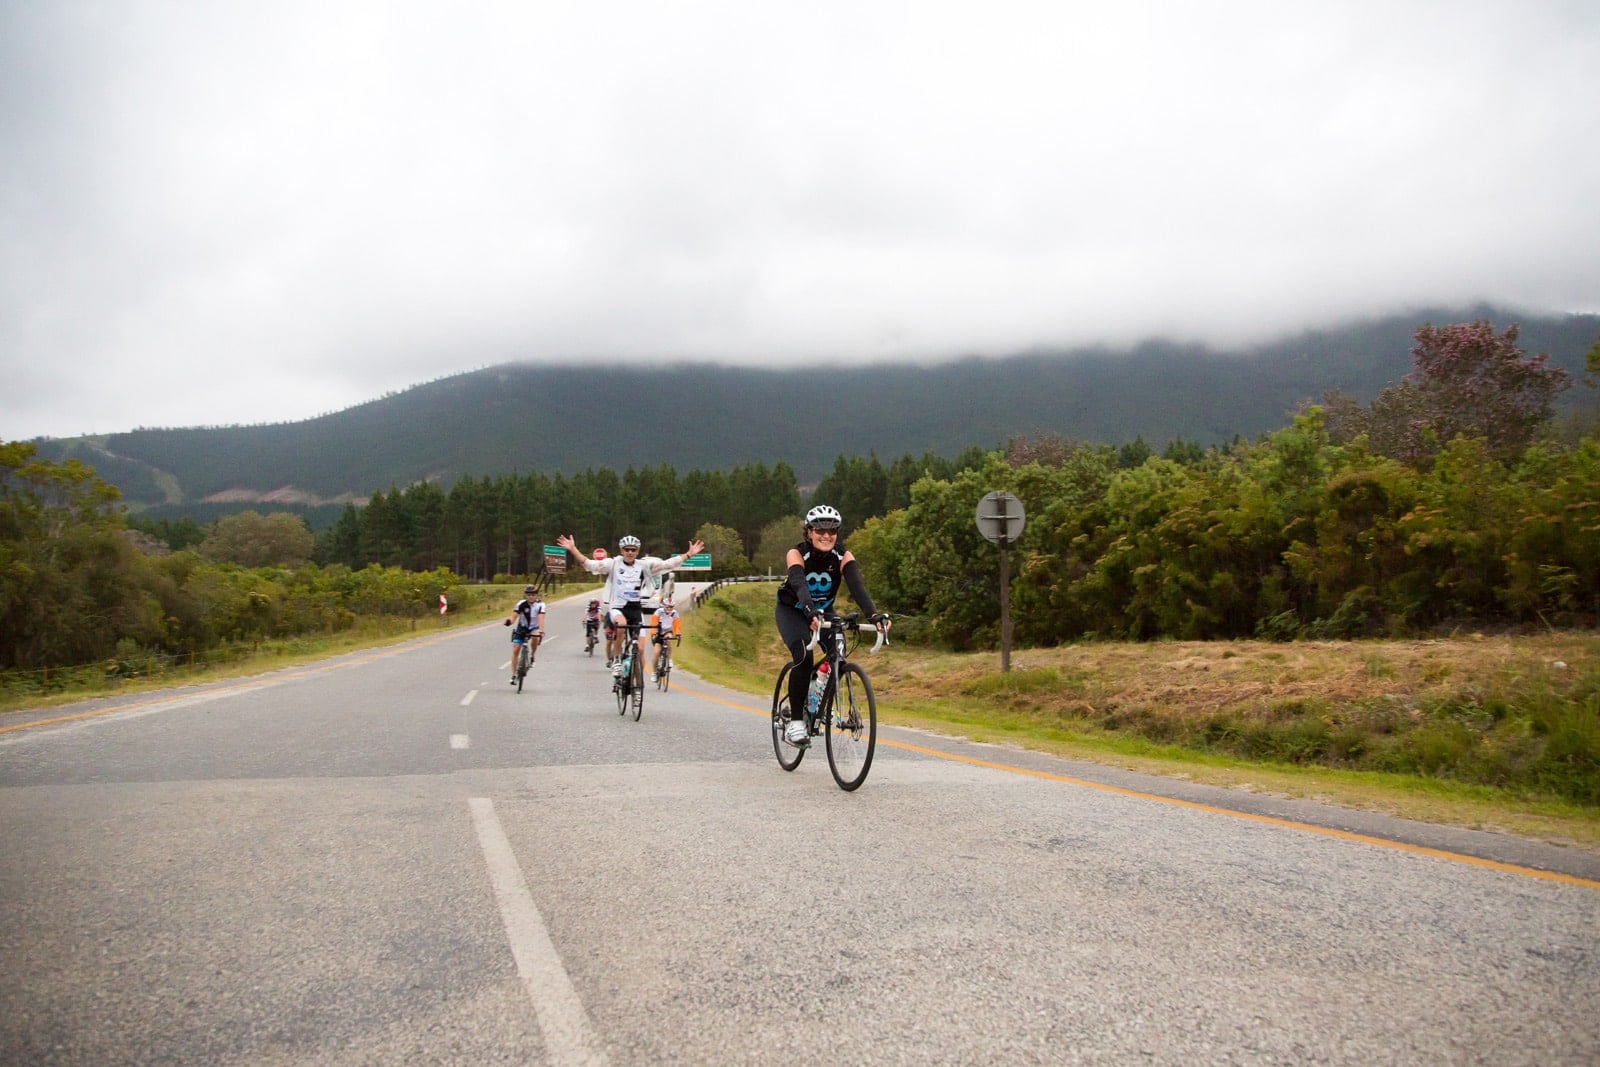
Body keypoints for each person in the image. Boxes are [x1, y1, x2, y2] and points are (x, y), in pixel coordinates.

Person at [775, 505, 889, 746]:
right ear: (809, 531)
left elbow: (857, 587)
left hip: (823, 611)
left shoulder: (843, 556)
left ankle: (816, 693)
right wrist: (808, 610)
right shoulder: (796, 554)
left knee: (838, 649)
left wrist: (874, 615)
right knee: (804, 655)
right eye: (820, 530)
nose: (826, 535)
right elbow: (798, 584)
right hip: (793, 610)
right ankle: (795, 721)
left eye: (832, 530)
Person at [557, 533, 705, 674]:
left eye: (633, 550)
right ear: (622, 550)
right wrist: (573, 549)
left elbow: (667, 565)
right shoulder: (613, 564)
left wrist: (688, 554)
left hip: (635, 609)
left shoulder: (644, 566)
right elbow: (589, 564)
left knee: (640, 650)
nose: (629, 552)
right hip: (618, 608)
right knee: (621, 625)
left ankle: (637, 684)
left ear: (637, 551)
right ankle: (616, 660)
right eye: (626, 549)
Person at [503, 584, 546, 682]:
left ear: (536, 595)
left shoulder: (540, 605)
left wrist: (541, 630)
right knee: (516, 649)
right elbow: (513, 617)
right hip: (522, 628)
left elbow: (541, 619)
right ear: (526, 595)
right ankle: (514, 675)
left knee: (535, 636)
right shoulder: (521, 604)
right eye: (528, 595)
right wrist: (508, 622)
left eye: (533, 595)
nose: (531, 596)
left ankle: (532, 655)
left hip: (534, 627)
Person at [650, 595, 681, 678]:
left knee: (668, 639)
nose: (669, 608)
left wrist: (677, 633)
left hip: (667, 631)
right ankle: (654, 672)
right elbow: (653, 624)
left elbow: (676, 625)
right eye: (667, 607)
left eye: (671, 607)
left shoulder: (674, 613)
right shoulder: (658, 612)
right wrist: (654, 633)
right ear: (664, 606)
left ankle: (670, 659)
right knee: (656, 653)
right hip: (658, 632)